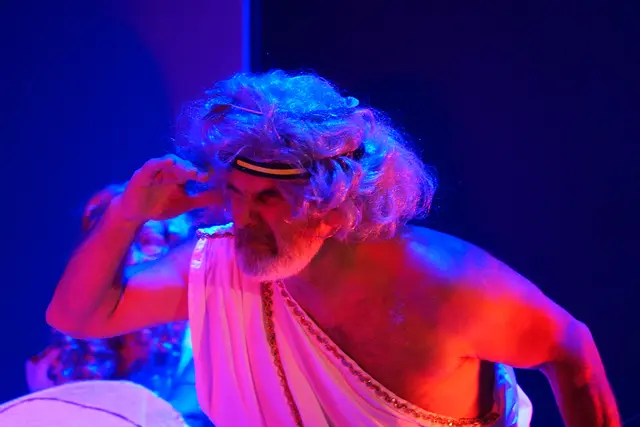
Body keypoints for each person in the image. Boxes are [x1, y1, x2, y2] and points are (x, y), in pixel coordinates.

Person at [46, 70, 619, 427]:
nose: (243, 216)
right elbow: (79, 316)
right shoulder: (222, 266)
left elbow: (572, 351)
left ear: (333, 202)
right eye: (235, 193)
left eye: (268, 198)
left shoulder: (443, 282)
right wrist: (128, 213)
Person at [27, 184, 213, 427]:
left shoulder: (204, 340)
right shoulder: (53, 364)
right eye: (117, 248)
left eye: (147, 242)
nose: (131, 258)